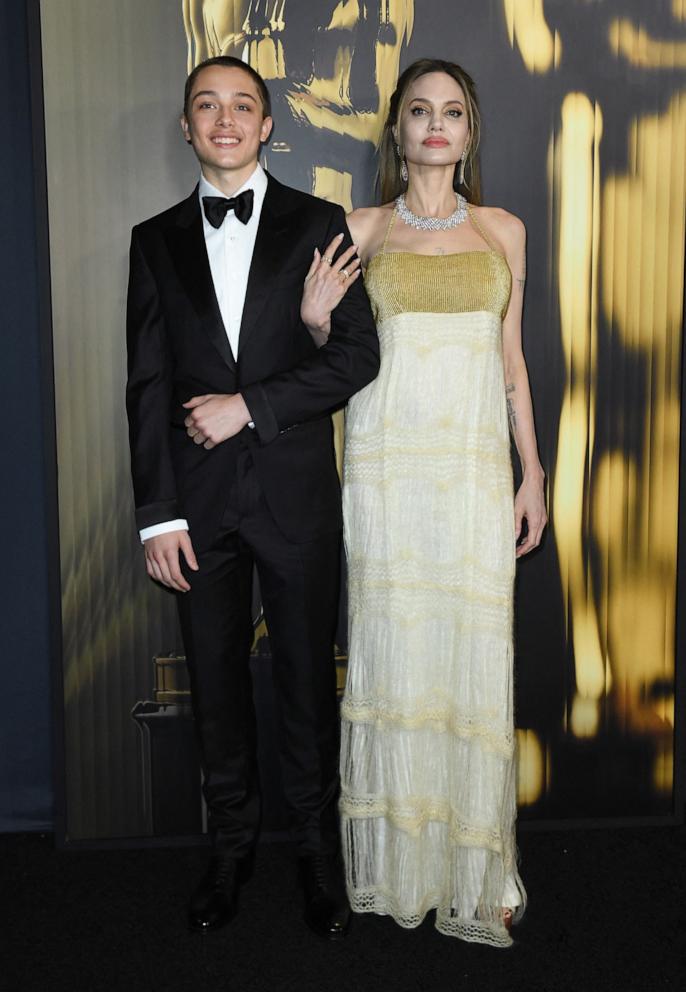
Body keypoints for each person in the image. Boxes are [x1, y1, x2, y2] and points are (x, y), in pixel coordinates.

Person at [125, 55, 379, 939]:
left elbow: (355, 357)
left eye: (243, 105)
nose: (225, 119)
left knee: (310, 684)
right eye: (207, 105)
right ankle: (229, 849)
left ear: (269, 125)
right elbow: (148, 388)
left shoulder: (320, 221)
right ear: (187, 125)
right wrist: (156, 513)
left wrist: (250, 408)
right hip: (195, 512)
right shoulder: (152, 239)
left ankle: (315, 854)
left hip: (296, 498)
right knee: (217, 690)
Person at [324, 58, 547, 947]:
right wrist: (311, 320)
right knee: (395, 655)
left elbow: (513, 365)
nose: (435, 124)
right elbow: (330, 354)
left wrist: (532, 474)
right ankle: (395, 868)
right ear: (397, 129)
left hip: (471, 475)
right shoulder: (361, 227)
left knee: (471, 663)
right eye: (419, 111)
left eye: (452, 111)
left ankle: (479, 869)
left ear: (470, 129)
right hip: (387, 475)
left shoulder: (503, 231)